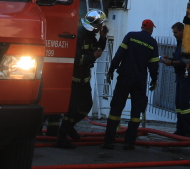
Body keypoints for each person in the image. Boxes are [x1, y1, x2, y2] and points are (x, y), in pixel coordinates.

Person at [102, 19, 160, 150]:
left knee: (116, 108)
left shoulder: (131, 36)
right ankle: (129, 143)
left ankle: (109, 141)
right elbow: (153, 65)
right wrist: (154, 79)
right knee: (136, 112)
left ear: (142, 27)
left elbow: (119, 55)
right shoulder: (152, 43)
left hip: (125, 77)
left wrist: (111, 70)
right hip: (139, 81)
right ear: (151, 29)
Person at [55, 10, 108, 149]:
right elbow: (77, 59)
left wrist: (103, 38)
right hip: (73, 78)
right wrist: (93, 57)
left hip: (84, 78)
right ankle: (61, 137)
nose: (101, 27)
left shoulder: (91, 35)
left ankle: (70, 128)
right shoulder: (79, 35)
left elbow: (97, 50)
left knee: (86, 106)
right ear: (94, 25)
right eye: (100, 25)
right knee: (71, 110)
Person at [161, 21, 190, 137]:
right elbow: (179, 58)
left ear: (182, 31)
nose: (174, 34)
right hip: (181, 76)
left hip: (188, 76)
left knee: (184, 103)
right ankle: (180, 129)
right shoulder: (180, 43)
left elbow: (187, 61)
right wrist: (169, 59)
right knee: (178, 103)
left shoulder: (188, 44)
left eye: (176, 32)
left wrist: (171, 62)